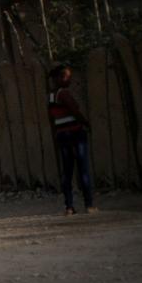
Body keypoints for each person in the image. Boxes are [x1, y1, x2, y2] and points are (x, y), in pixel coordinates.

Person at [47, 64, 97, 215]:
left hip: (62, 135)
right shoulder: (63, 93)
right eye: (65, 77)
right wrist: (85, 122)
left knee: (67, 171)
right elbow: (74, 110)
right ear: (57, 79)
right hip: (75, 133)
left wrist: (56, 133)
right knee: (83, 170)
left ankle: (69, 206)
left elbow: (52, 118)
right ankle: (89, 205)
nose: (68, 79)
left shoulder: (50, 95)